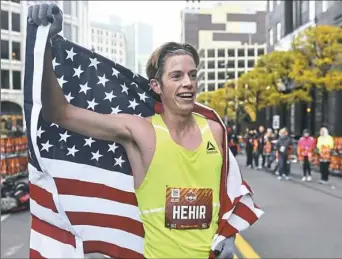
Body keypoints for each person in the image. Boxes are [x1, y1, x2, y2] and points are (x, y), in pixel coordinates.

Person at [28, 3, 237, 258]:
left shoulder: (215, 130)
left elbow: (230, 190)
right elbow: (60, 113)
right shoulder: (140, 131)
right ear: (156, 86)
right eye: (177, 76)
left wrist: (231, 233)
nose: (188, 83)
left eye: (193, 75)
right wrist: (46, 43)